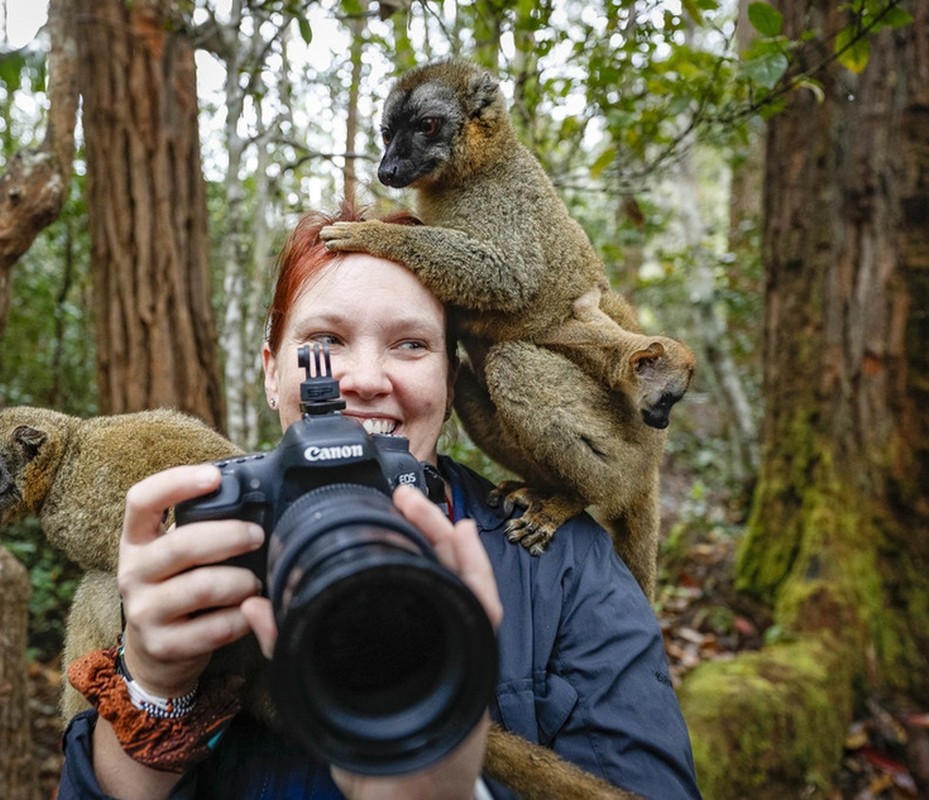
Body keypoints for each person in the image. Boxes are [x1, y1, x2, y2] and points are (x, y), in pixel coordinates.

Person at [57, 205, 702, 799]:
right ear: (271, 371)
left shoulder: (563, 565)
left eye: (411, 344)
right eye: (324, 343)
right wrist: (152, 691)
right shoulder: (205, 539)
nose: (364, 380)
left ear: (451, 384)